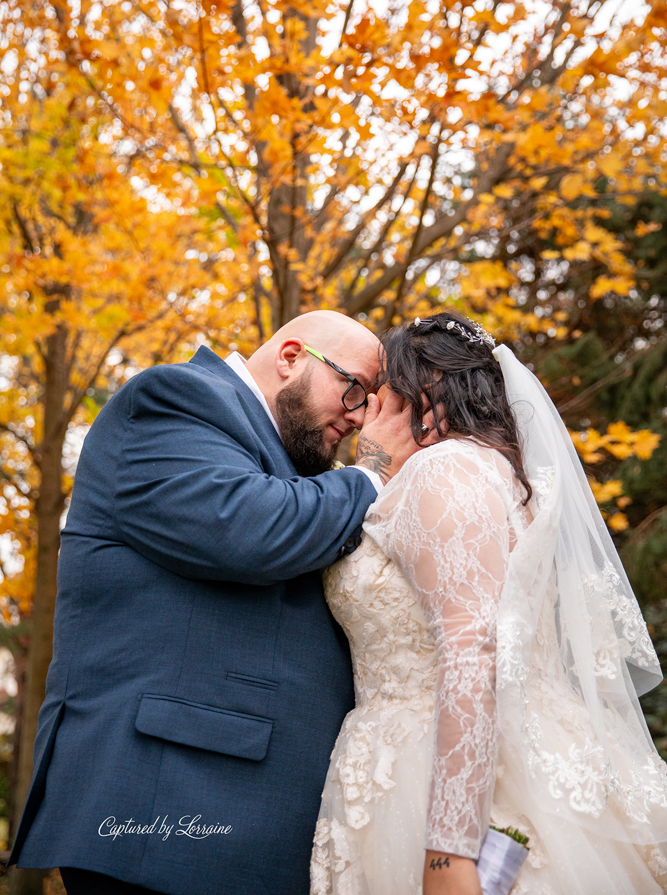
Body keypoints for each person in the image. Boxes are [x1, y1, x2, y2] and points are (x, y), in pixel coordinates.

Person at [10, 310, 441, 895]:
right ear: (292, 358)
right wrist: (374, 471)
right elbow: (252, 530)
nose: (361, 415)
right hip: (167, 805)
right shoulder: (174, 400)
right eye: (355, 389)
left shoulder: (296, 466)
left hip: (249, 815)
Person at [311, 310, 667, 895]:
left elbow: (473, 648)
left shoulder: (443, 473)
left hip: (437, 776)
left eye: (380, 394)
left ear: (418, 394)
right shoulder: (495, 475)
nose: (363, 414)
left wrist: (450, 854)